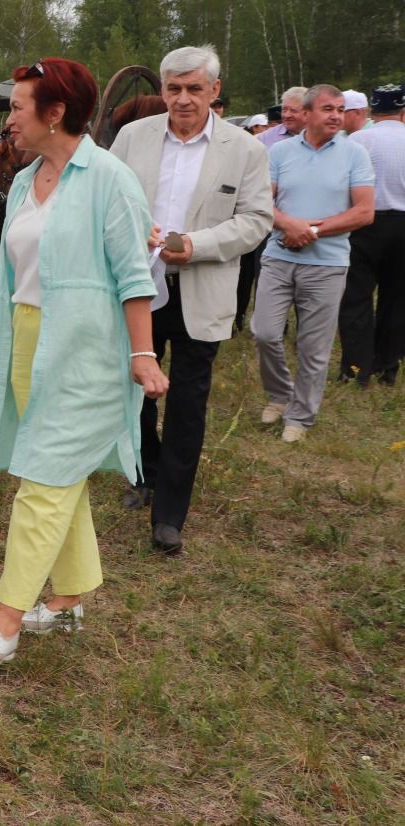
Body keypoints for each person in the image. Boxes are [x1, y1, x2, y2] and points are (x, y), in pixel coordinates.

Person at [0, 58, 168, 668]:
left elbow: (136, 278)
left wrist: (143, 354)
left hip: (85, 355)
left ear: (56, 114)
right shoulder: (25, 181)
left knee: (45, 482)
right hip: (26, 346)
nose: (10, 121)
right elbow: (6, 277)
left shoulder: (111, 180)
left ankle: (5, 624)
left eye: (20, 108)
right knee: (55, 475)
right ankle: (70, 596)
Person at [109, 46, 272, 553]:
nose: (182, 99)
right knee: (133, 386)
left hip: (203, 290)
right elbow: (106, 197)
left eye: (194, 89)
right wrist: (134, 230)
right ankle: (144, 471)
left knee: (188, 400)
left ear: (214, 91)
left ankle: (170, 513)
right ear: (162, 90)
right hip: (139, 286)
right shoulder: (133, 137)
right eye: (173, 89)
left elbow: (255, 221)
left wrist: (197, 246)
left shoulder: (245, 149)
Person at [252, 85, 375, 442]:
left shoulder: (355, 153)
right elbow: (261, 202)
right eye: (327, 109)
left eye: (340, 109)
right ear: (306, 113)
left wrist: (312, 229)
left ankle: (300, 416)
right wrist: (288, 224)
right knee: (264, 332)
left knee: (314, 346)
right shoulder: (279, 152)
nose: (336, 115)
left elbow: (364, 212)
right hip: (278, 256)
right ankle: (280, 394)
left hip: (328, 263)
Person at [337, 83, 405, 385]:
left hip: (364, 223)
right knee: (397, 298)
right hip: (403, 225)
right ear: (403, 111)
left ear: (373, 111)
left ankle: (355, 368)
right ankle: (388, 366)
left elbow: (343, 184)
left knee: (356, 297)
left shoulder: (359, 139)